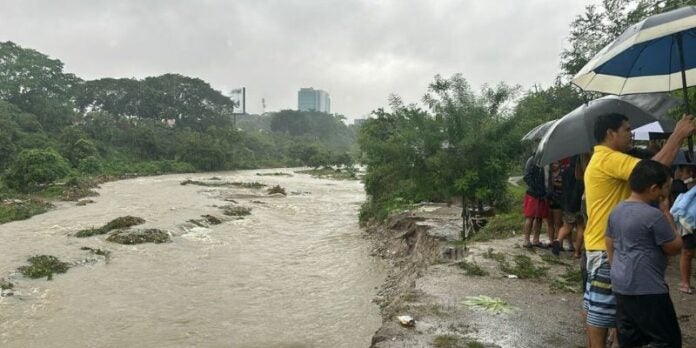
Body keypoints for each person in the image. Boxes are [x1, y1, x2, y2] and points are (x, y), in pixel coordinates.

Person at [582, 113, 695, 348]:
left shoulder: (608, 159)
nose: (630, 133)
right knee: (601, 317)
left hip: (609, 246)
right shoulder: (608, 158)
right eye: (626, 129)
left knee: (618, 317)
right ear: (610, 133)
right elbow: (653, 170)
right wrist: (678, 134)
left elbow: (654, 171)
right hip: (606, 249)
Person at [606, 160, 682, 347]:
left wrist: (615, 265)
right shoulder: (653, 216)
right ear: (654, 189)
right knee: (666, 340)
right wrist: (667, 214)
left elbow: (609, 240)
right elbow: (674, 247)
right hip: (648, 288)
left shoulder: (617, 210)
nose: (667, 193)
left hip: (621, 285)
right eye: (665, 188)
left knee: (631, 339)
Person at [551, 155, 585, 257]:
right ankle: (577, 252)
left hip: (567, 203)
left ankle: (558, 240)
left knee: (567, 226)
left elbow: (562, 185)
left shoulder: (565, 172)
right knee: (580, 227)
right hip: (579, 203)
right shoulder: (582, 173)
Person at [673, 164, 696, 295]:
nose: (680, 174)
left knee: (687, 253)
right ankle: (685, 283)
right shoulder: (682, 187)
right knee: (687, 252)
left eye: (683, 171)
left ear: (691, 173)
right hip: (689, 224)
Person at [522, 153, 548, 248]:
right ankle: (526, 240)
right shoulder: (531, 160)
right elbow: (527, 177)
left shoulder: (544, 161)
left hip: (542, 194)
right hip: (533, 194)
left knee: (539, 217)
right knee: (530, 217)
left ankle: (536, 240)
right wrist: (535, 187)